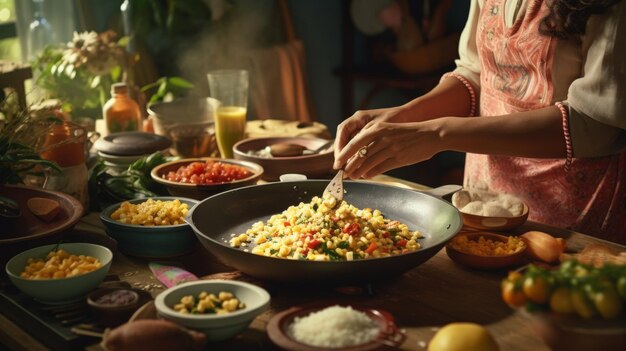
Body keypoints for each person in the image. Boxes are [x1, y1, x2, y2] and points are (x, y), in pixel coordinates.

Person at [333, 0, 626, 244]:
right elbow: (476, 76)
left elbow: (595, 124)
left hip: (572, 219)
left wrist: (438, 135)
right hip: (484, 203)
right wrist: (403, 116)